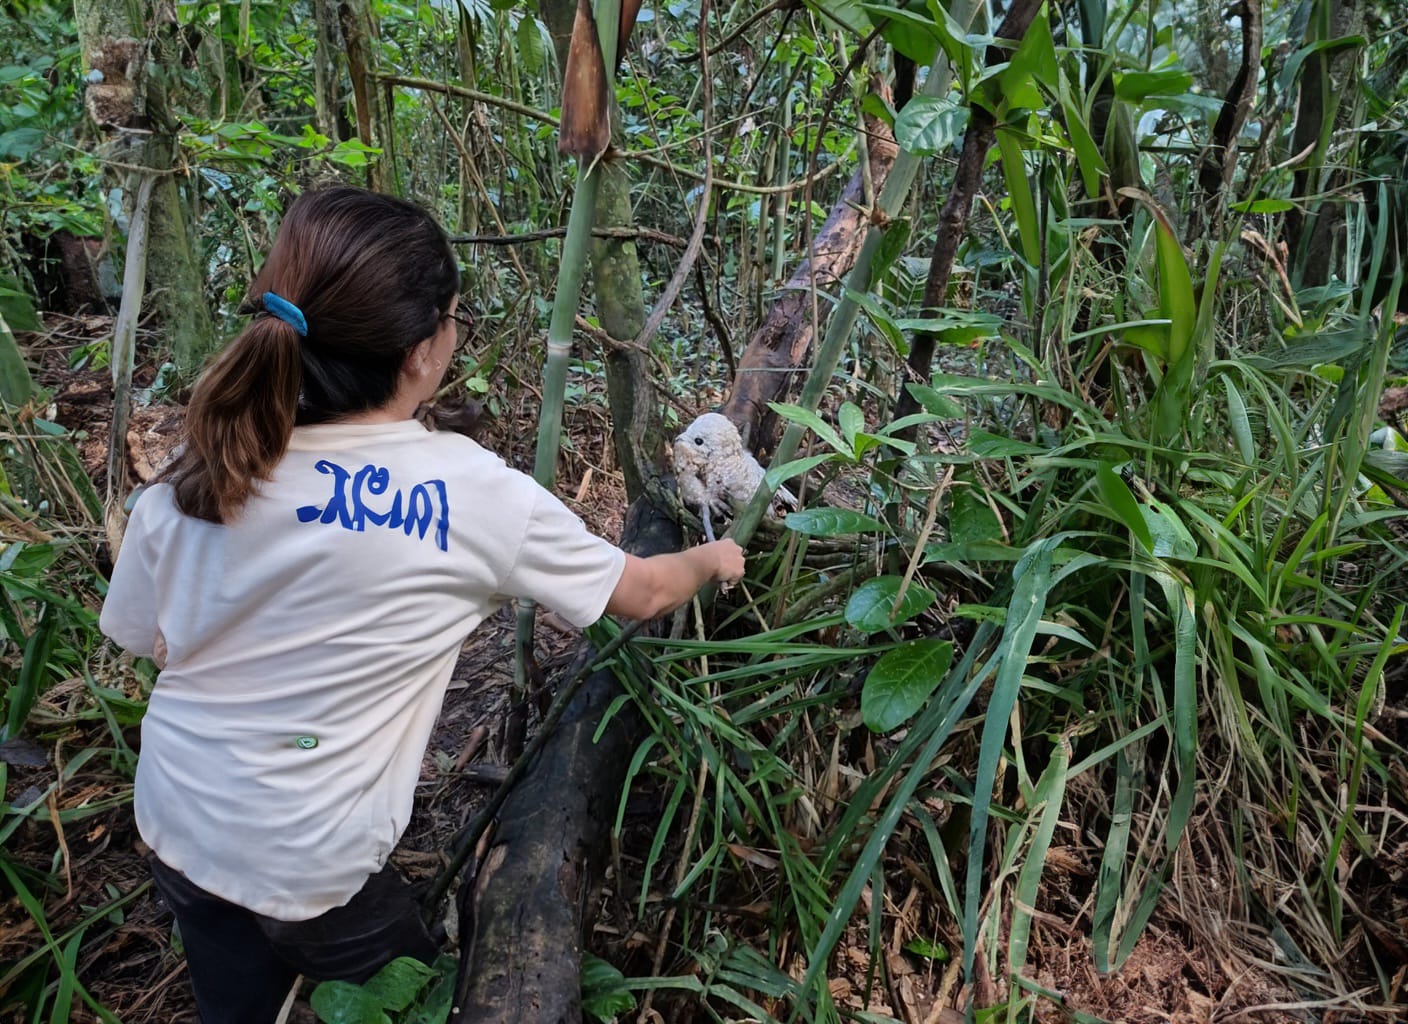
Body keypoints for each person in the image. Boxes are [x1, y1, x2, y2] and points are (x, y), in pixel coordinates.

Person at [98, 186, 744, 1023]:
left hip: (178, 816)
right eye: (452, 320)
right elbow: (644, 592)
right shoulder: (464, 491)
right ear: (421, 352)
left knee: (237, 997)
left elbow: (148, 640)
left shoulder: (209, 456)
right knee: (418, 991)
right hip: (310, 865)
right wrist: (712, 555)